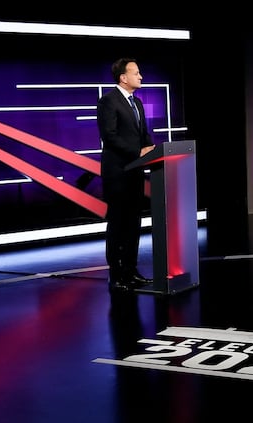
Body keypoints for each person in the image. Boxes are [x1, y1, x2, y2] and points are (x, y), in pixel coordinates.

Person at [97, 57, 156, 292]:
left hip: (135, 172)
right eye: (136, 73)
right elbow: (109, 136)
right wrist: (137, 151)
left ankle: (132, 271)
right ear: (123, 77)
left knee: (134, 224)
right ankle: (117, 274)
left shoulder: (138, 103)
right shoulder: (108, 102)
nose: (140, 76)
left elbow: (144, 134)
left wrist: (152, 151)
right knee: (118, 224)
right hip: (118, 173)